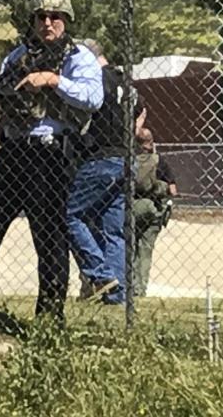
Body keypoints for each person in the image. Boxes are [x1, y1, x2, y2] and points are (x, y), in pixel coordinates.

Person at [0, 0, 103, 325]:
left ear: (67, 20)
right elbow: (2, 95)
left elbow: (93, 98)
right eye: (41, 17)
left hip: (50, 155)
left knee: (49, 236)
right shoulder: (18, 57)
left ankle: (49, 316)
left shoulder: (80, 58)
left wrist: (52, 80)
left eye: (55, 16)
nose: (47, 23)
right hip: (14, 153)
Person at [67, 38, 145, 304]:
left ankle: (99, 275)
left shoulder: (96, 80)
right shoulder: (125, 82)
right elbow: (141, 111)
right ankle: (118, 294)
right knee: (114, 230)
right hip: (127, 158)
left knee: (68, 215)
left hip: (101, 157)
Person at [132, 127, 177, 298]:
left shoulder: (129, 161)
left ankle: (129, 286)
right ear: (151, 143)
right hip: (154, 208)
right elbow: (173, 190)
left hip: (133, 208)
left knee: (131, 247)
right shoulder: (159, 161)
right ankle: (141, 288)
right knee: (146, 249)